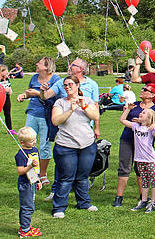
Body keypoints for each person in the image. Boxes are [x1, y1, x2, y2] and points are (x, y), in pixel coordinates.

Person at [50, 76, 99, 218]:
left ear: (78, 85)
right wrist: (71, 110)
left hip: (87, 145)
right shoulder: (60, 102)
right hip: (66, 146)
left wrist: (83, 106)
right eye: (65, 85)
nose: (67, 87)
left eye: (70, 84)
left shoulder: (87, 101)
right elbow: (55, 121)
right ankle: (58, 207)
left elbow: (95, 116)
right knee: (66, 178)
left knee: (83, 177)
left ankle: (84, 203)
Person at [112, 83, 155, 208]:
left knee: (140, 170)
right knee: (124, 167)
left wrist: (140, 121)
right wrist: (127, 110)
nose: (142, 90)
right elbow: (124, 119)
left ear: (152, 95)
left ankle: (143, 197)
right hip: (128, 138)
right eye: (143, 88)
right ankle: (119, 197)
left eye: (146, 90)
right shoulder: (134, 104)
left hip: (143, 143)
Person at [16, 57, 62, 187]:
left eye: (39, 63)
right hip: (32, 113)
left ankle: (42, 174)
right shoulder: (34, 78)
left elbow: (53, 97)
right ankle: (29, 172)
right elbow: (30, 92)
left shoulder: (55, 80)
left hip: (46, 116)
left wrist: (37, 93)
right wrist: (23, 96)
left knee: (44, 145)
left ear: (47, 67)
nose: (36, 64)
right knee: (27, 141)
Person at [119, 106, 155, 213]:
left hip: (150, 160)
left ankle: (152, 202)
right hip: (139, 159)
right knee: (144, 181)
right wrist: (128, 109)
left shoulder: (151, 129)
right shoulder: (136, 126)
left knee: (153, 181)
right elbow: (122, 120)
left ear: (149, 117)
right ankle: (143, 201)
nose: (140, 113)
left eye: (143, 113)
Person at [42, 58, 100, 138]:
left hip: (85, 126)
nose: (69, 66)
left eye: (73, 65)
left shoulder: (92, 84)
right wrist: (43, 90)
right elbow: (46, 96)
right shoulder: (62, 82)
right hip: (66, 127)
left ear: (80, 69)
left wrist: (96, 128)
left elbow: (95, 107)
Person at [15, 127, 43, 237]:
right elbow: (20, 171)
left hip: (33, 182)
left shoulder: (34, 150)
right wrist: (30, 166)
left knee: (30, 204)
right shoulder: (21, 155)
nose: (34, 142)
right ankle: (25, 230)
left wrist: (38, 180)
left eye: (35, 139)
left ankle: (25, 226)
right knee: (27, 206)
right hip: (25, 184)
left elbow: (36, 169)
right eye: (31, 141)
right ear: (22, 142)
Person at [0, 65, 15, 138]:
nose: (7, 72)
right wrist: (4, 90)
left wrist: (10, 90)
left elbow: (9, 86)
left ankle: (10, 129)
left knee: (7, 114)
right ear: (1, 71)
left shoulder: (6, 78)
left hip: (7, 98)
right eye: (6, 71)